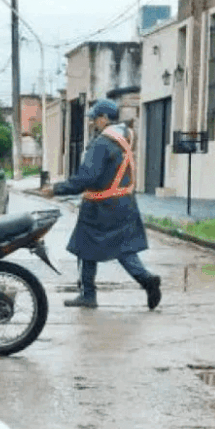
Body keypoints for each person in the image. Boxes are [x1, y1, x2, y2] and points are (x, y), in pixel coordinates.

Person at [42, 99, 161, 310]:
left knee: (85, 248)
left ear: (104, 118)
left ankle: (88, 295)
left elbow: (87, 177)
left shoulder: (102, 143)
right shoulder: (126, 137)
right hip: (125, 202)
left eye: (95, 118)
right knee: (124, 249)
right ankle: (146, 280)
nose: (92, 123)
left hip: (101, 206)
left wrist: (57, 189)